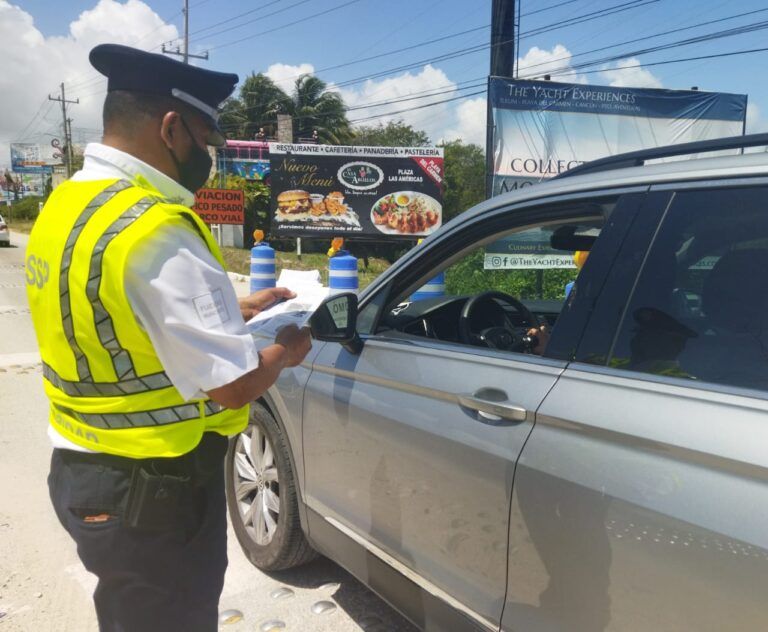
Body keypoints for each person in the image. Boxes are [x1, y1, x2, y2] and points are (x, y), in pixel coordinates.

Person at [24, 44, 311, 632]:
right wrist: (287, 349)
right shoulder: (156, 227)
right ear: (172, 127)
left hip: (83, 470)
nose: (208, 154)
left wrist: (231, 304)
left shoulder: (69, 203)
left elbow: (108, 301)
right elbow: (233, 388)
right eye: (207, 138)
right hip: (152, 488)